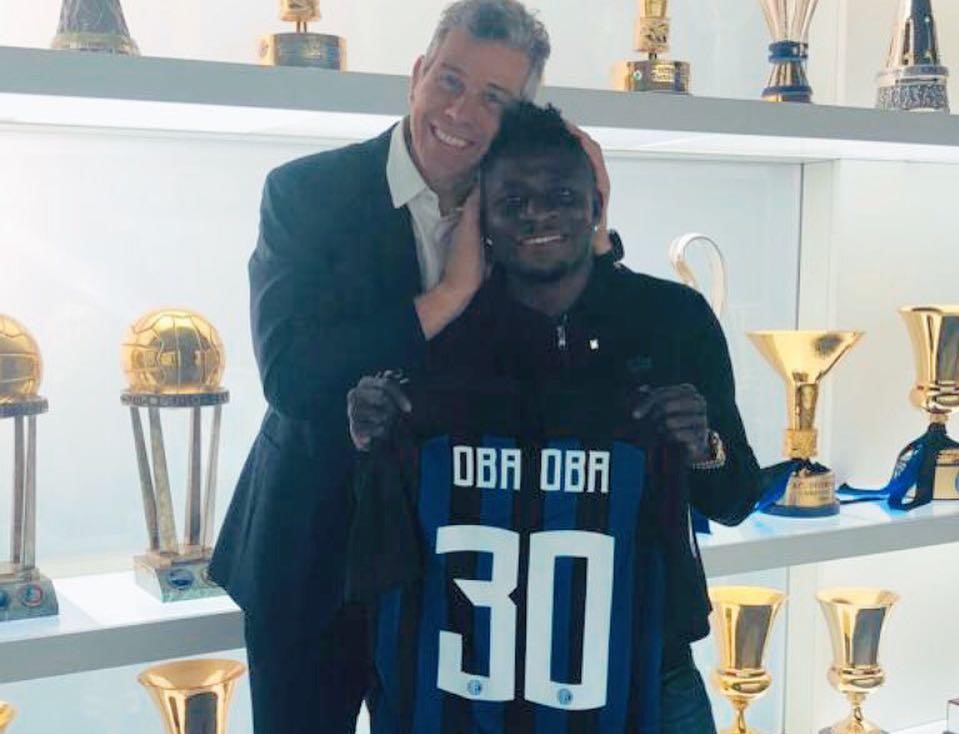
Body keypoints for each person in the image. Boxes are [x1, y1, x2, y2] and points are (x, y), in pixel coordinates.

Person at [209, 2, 622, 731]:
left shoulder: (520, 209)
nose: (461, 112)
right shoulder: (305, 192)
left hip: (460, 566)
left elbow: (583, 357)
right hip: (311, 555)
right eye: (450, 80)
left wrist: (590, 226)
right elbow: (295, 377)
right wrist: (447, 296)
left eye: (493, 99)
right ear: (417, 75)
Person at [347, 102, 763, 732]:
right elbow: (385, 525)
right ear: (480, 219)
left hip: (649, 665)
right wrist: (368, 434)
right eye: (513, 200)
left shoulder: (672, 318)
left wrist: (703, 446)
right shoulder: (442, 332)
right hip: (470, 672)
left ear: (597, 206)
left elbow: (735, 498)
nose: (538, 214)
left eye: (562, 196)